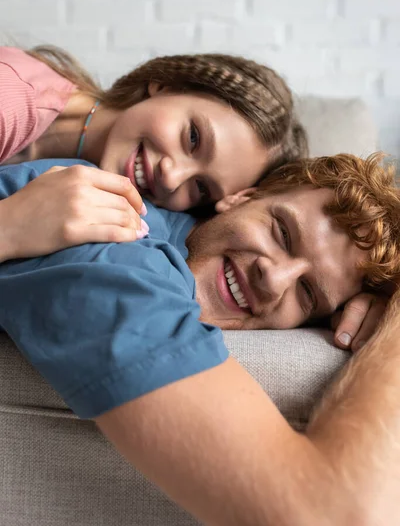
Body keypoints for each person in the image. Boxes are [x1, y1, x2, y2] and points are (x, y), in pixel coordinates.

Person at [0, 152, 399, 525]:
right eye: (281, 233)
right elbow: (330, 514)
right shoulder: (117, 258)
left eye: (308, 293)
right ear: (242, 197)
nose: (273, 279)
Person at [0, 44, 307, 256]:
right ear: (165, 85)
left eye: (201, 187)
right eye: (193, 138)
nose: (172, 178)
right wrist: (12, 227)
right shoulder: (11, 99)